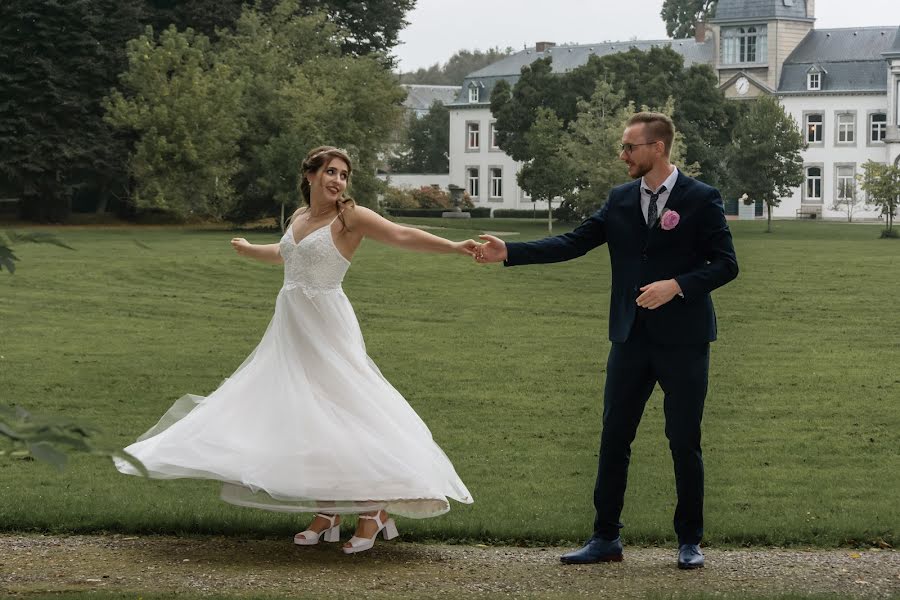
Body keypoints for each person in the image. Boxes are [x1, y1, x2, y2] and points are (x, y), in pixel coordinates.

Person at [116, 146, 475, 554]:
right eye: (331, 172)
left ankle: (373, 509)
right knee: (307, 417)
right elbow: (288, 254)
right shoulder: (300, 218)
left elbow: (400, 234)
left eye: (343, 174)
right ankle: (329, 510)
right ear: (310, 175)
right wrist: (252, 250)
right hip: (291, 329)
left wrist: (453, 246)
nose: (338, 180)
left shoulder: (349, 216)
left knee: (348, 410)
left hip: (327, 325)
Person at [475, 113, 738, 569]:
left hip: (684, 341)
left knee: (683, 441)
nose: (623, 155)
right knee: (614, 437)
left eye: (630, 147)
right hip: (629, 338)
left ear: (657, 148)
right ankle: (605, 539)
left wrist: (676, 285)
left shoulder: (701, 198)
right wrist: (511, 253)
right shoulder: (619, 200)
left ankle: (689, 541)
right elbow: (575, 242)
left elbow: (726, 264)